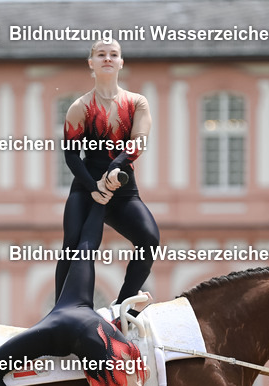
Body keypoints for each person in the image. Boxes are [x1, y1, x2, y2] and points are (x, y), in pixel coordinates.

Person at [0, 194, 167, 386]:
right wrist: (138, 305)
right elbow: (117, 331)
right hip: (78, 305)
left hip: (56, 333)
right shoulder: (143, 369)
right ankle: (100, 195)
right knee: (84, 248)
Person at [58, 39, 160, 307]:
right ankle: (62, 310)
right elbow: (71, 154)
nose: (107, 58)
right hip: (87, 187)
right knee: (74, 246)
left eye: (113, 54)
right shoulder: (80, 106)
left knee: (149, 240)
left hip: (123, 190)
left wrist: (116, 167)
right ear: (91, 63)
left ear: (121, 62)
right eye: (101, 54)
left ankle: (124, 303)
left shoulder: (136, 102)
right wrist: (93, 187)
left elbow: (138, 141)